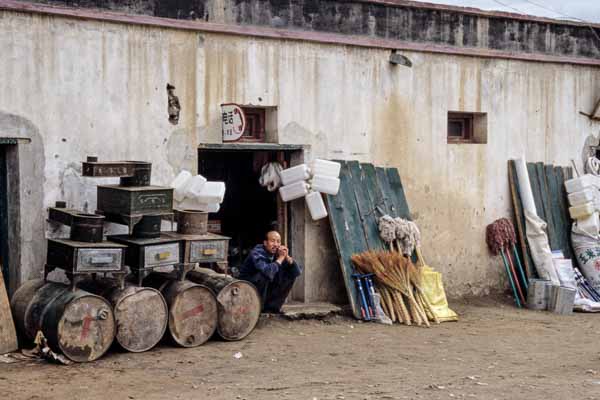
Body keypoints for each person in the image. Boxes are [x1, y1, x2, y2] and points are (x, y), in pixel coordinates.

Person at [238, 230, 302, 313]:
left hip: (264, 288)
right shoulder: (256, 252)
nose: (276, 244)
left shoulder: (277, 253)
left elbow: (296, 272)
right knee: (265, 274)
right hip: (247, 288)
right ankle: (257, 309)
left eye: (278, 242)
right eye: (272, 241)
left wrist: (288, 259)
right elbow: (267, 272)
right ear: (265, 243)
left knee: (289, 274)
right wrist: (280, 258)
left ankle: (271, 309)